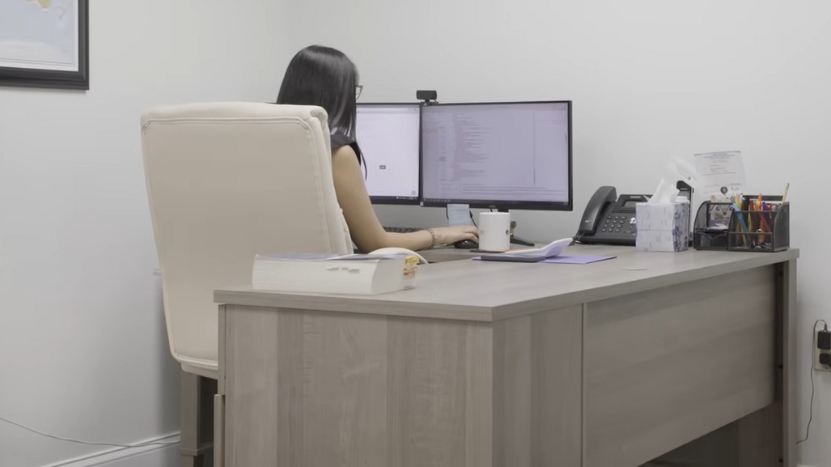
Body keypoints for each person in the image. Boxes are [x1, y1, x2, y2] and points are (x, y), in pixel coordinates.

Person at [276, 45, 478, 252]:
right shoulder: (336, 153)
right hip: (323, 278)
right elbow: (375, 244)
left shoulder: (260, 146)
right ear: (338, 95)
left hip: (260, 275)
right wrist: (439, 234)